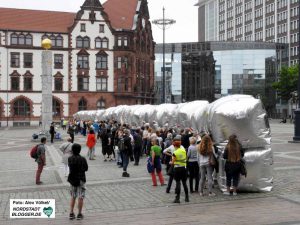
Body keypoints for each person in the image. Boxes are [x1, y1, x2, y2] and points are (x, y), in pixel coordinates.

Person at [68, 143, 88, 220]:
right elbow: (86, 168)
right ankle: (79, 214)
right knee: (80, 197)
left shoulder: (70, 158)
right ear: (79, 150)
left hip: (72, 179)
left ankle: (71, 213)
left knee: (73, 196)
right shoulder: (82, 159)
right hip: (81, 179)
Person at [171, 136, 189, 203]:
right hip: (184, 168)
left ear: (175, 146)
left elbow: (173, 162)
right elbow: (186, 159)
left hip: (177, 169)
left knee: (178, 183)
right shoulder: (184, 151)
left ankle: (177, 198)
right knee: (184, 183)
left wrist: (171, 162)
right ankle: (187, 197)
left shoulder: (175, 153)